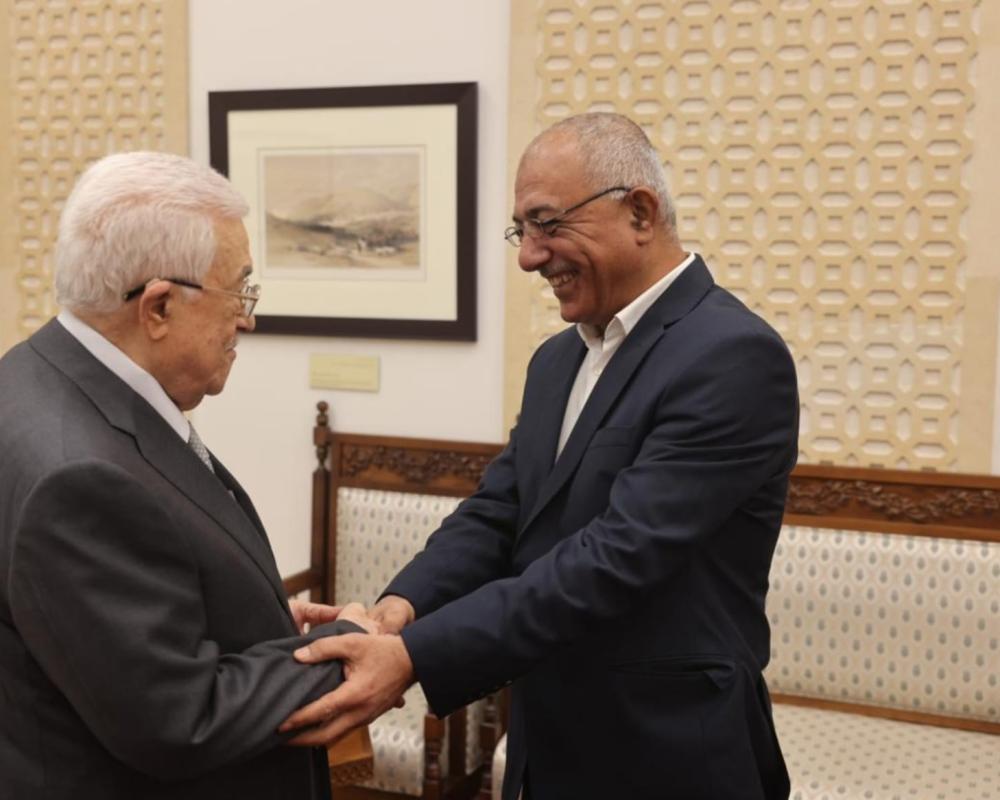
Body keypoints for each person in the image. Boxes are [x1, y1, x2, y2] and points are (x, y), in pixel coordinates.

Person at [282, 113, 799, 800]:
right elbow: (499, 512)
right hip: (548, 744)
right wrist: (397, 610)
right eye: (521, 231)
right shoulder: (557, 360)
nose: (529, 257)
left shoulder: (732, 357)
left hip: (670, 755)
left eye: (548, 224)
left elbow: (615, 558)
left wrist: (412, 657)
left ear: (640, 213)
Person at [0, 151, 371, 800]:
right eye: (239, 291)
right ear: (159, 307)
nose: (247, 319)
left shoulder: (28, 376)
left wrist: (250, 619)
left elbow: (93, 624)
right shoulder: (81, 478)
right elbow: (177, 720)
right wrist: (345, 651)